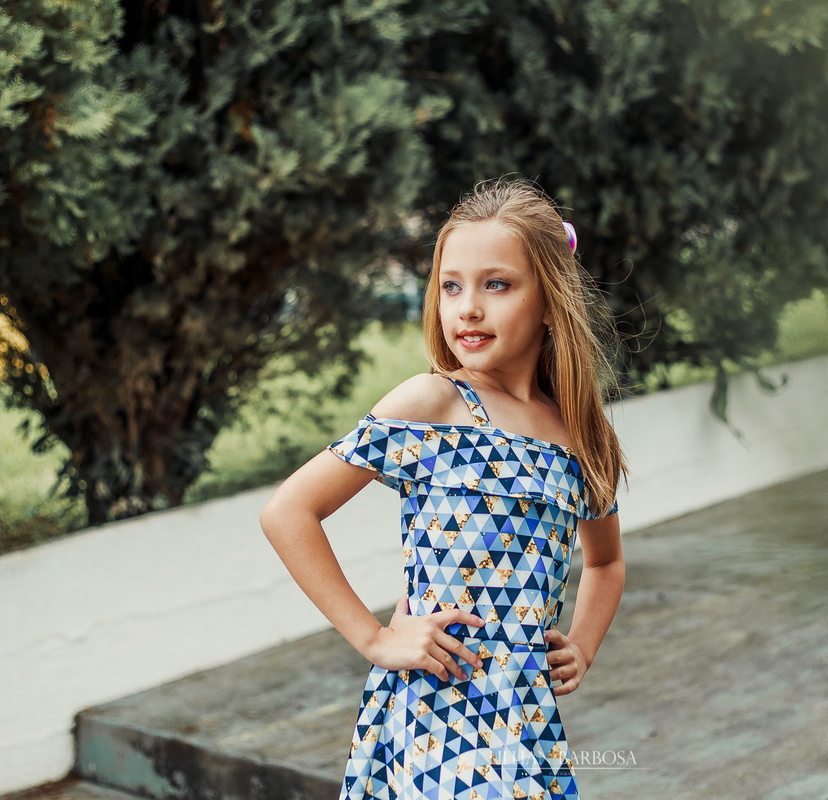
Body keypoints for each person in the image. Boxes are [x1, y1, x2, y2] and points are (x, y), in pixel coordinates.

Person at [259, 177, 628, 800]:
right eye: (451, 286)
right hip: (437, 718)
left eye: (497, 285)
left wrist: (583, 645)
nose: (468, 308)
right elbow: (289, 510)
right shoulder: (433, 405)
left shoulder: (576, 435)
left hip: (526, 718)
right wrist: (374, 637)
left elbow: (607, 561)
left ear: (548, 298)